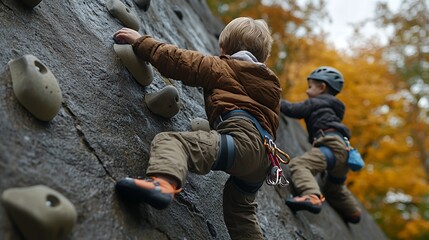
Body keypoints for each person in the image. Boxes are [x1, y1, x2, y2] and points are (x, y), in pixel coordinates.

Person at [113, 17, 281, 239]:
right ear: (263, 57)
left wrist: (141, 42)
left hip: (240, 144)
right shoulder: (272, 87)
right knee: (240, 210)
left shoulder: (224, 65)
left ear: (224, 48)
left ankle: (163, 184)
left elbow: (180, 61)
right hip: (266, 159)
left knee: (172, 142)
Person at [280, 66, 362, 224]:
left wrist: (274, 99)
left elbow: (293, 109)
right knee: (333, 188)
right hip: (344, 152)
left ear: (322, 87)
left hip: (330, 147)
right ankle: (353, 212)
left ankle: (311, 196)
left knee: (300, 164)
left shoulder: (316, 102)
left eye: (310, 86)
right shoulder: (332, 108)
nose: (306, 91)